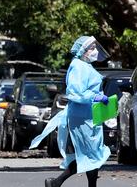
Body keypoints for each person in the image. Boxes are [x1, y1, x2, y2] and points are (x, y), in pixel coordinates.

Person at [30, 36, 111, 187]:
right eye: (91, 48)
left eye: (95, 48)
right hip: (81, 117)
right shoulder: (78, 66)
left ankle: (59, 183)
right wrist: (96, 96)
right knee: (88, 154)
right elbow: (76, 93)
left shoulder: (86, 66)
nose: (94, 51)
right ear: (83, 51)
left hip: (90, 115)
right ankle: (56, 182)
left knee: (93, 153)